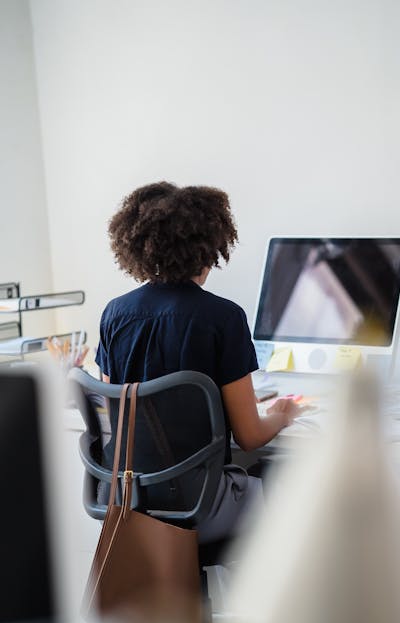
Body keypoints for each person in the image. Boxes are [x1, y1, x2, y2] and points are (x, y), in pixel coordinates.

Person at [95, 181, 301, 542]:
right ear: (209, 248)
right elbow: (250, 437)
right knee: (280, 475)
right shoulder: (222, 318)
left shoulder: (115, 314)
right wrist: (282, 415)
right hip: (196, 505)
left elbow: (114, 411)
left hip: (126, 499)